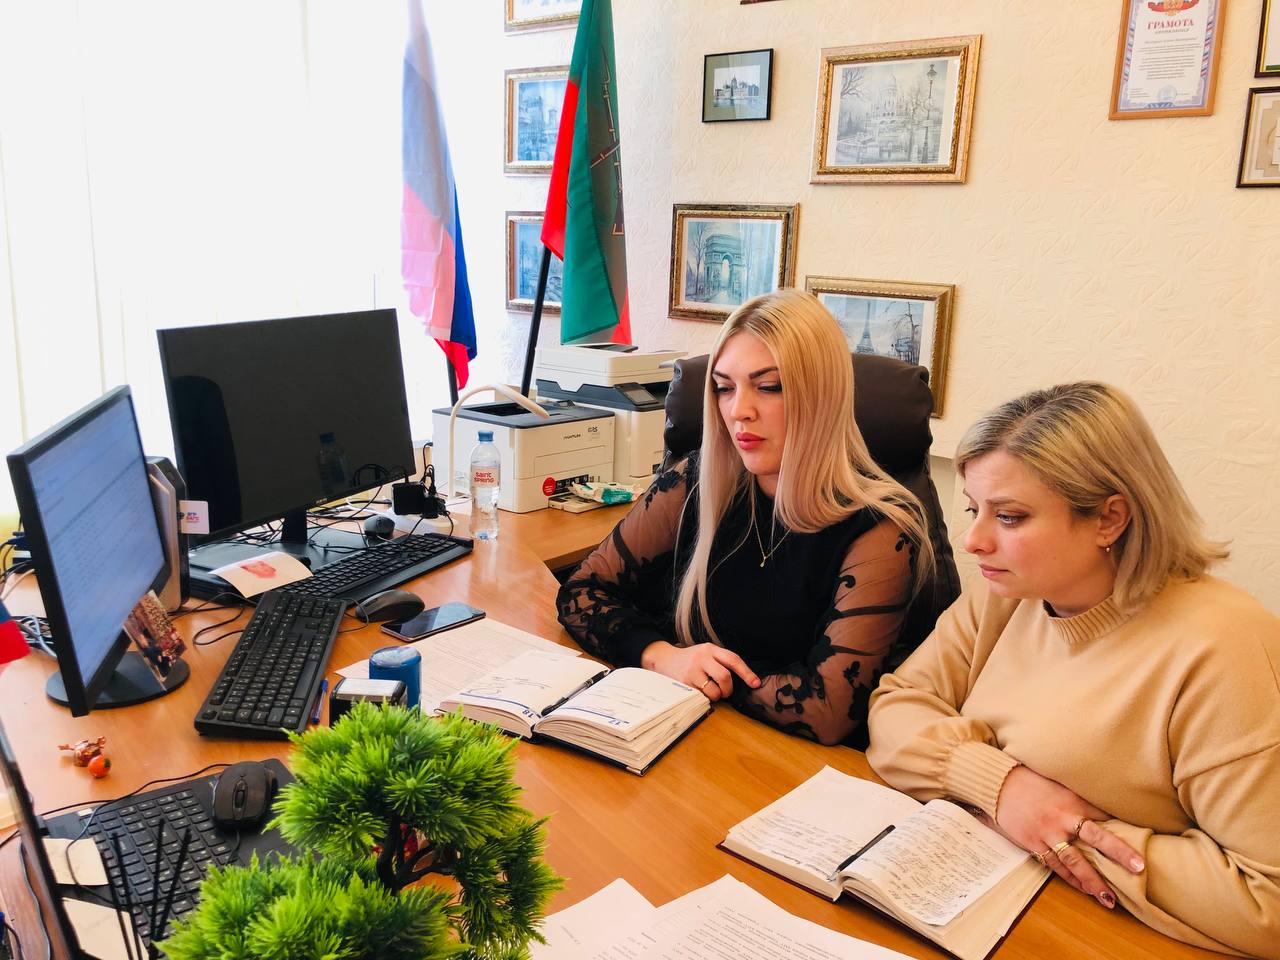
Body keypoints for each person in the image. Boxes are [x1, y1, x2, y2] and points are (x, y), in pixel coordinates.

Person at [866, 382, 1280, 958]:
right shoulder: (1007, 593)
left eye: (1010, 517)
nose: (973, 541)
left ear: (1109, 518)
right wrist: (1003, 787)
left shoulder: (1224, 648)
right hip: (991, 896)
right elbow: (896, 708)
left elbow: (1268, 901)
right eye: (974, 510)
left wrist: (1064, 833)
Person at [556, 289, 933, 746]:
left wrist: (707, 677)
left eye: (769, 387)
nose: (739, 411)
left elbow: (827, 710)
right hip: (677, 731)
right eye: (724, 387)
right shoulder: (699, 479)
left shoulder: (882, 528)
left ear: (823, 396)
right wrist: (660, 656)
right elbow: (581, 591)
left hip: (781, 763)